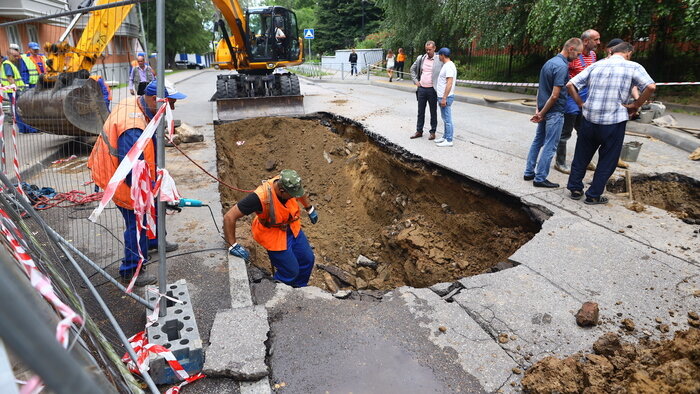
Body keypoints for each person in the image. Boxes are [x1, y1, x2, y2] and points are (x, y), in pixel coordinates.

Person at [88, 79, 185, 286]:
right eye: (169, 102)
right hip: (120, 179)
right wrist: (151, 190)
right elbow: (132, 172)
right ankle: (132, 269)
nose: (173, 107)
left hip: (130, 170)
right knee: (137, 221)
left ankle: (153, 242)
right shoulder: (133, 128)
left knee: (153, 207)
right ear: (152, 99)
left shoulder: (141, 105)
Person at [566, 42, 656, 205]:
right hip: (613, 122)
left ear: (612, 52)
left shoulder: (596, 65)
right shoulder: (633, 67)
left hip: (590, 118)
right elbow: (650, 86)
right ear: (628, 53)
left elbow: (570, 84)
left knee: (582, 155)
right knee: (607, 159)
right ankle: (593, 195)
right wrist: (636, 105)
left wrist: (580, 103)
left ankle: (575, 188)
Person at [223, 169, 319, 288]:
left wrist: (309, 208)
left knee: (307, 260)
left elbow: (299, 192)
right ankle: (276, 292)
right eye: (292, 195)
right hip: (273, 235)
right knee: (290, 271)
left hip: (292, 228)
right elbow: (229, 217)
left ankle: (299, 288)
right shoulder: (260, 198)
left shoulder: (289, 182)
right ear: (282, 191)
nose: (295, 197)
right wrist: (232, 245)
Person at [523, 38, 583, 188]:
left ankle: (529, 172)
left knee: (538, 141)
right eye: (578, 53)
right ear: (571, 49)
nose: (578, 57)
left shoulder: (549, 63)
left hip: (544, 110)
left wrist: (539, 110)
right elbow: (555, 95)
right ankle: (540, 178)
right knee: (550, 145)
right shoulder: (562, 67)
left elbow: (541, 89)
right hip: (554, 112)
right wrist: (542, 113)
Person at [555, 29, 601, 174]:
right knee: (565, 132)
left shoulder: (593, 55)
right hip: (571, 99)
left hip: (586, 99)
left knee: (585, 132)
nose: (599, 43)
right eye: (596, 39)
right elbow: (561, 77)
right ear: (586, 41)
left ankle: (584, 160)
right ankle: (560, 162)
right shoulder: (573, 57)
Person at [409, 40, 443, 140]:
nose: (428, 51)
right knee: (420, 111)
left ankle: (433, 132)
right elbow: (412, 69)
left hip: (432, 90)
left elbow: (444, 73)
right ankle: (419, 131)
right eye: (426, 49)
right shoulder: (421, 58)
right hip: (422, 89)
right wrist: (416, 81)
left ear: (434, 48)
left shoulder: (439, 60)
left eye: (430, 49)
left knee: (433, 112)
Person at [433, 47, 457, 147]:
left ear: (442, 55)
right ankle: (445, 136)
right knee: (444, 118)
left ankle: (449, 139)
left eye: (439, 55)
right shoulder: (447, 65)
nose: (438, 56)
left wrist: (444, 98)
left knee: (447, 119)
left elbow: (449, 83)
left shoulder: (449, 66)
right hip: (443, 96)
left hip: (445, 97)